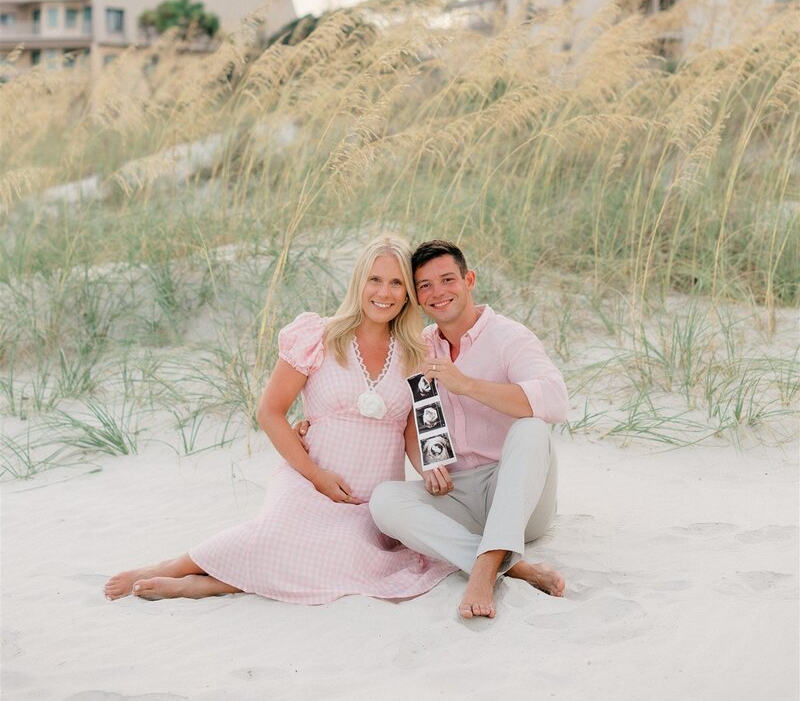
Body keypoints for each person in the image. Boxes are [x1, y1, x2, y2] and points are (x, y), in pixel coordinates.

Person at [104, 234, 455, 604]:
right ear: (359, 283)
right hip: (307, 478)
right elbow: (269, 412)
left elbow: (413, 429)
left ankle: (209, 584)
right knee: (274, 537)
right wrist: (316, 476)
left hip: (368, 499)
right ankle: (174, 566)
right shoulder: (319, 336)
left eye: (396, 282)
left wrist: (432, 466)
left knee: (346, 553)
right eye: (375, 279)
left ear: (407, 294)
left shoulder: (417, 352)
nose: (384, 292)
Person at [369, 240, 570, 621]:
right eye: (424, 285)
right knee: (384, 501)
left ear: (469, 280)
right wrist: (426, 464)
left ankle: (485, 566)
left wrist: (467, 385)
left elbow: (556, 399)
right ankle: (510, 565)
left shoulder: (509, 336)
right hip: (459, 495)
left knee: (531, 428)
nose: (437, 292)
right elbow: (406, 415)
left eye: (447, 279)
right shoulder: (419, 347)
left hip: (520, 495)